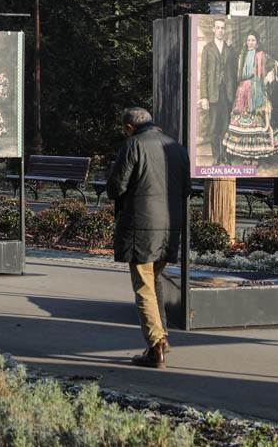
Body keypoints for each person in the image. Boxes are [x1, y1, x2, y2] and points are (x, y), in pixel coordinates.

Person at [106, 107, 190, 369]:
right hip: (170, 225)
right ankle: (161, 339)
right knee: (155, 281)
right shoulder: (177, 147)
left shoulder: (133, 145)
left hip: (141, 226)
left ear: (130, 128)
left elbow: (116, 187)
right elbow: (186, 189)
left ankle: (156, 346)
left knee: (143, 286)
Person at [222, 31, 278, 162]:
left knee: (258, 121)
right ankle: (246, 155)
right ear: (246, 42)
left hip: (256, 90)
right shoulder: (241, 56)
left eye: (253, 40)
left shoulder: (261, 55)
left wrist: (266, 79)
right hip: (242, 92)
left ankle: (255, 156)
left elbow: (277, 66)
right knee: (244, 122)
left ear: (257, 43)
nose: (250, 43)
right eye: (248, 40)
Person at [198, 19, 238, 164]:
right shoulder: (207, 48)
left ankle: (225, 156)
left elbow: (233, 74)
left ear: (225, 30)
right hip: (213, 94)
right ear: (213, 30)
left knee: (226, 126)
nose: (220, 30)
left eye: (222, 28)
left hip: (227, 94)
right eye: (218, 28)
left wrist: (234, 95)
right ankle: (216, 156)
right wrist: (204, 97)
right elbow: (203, 74)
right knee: (214, 126)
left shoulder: (229, 50)